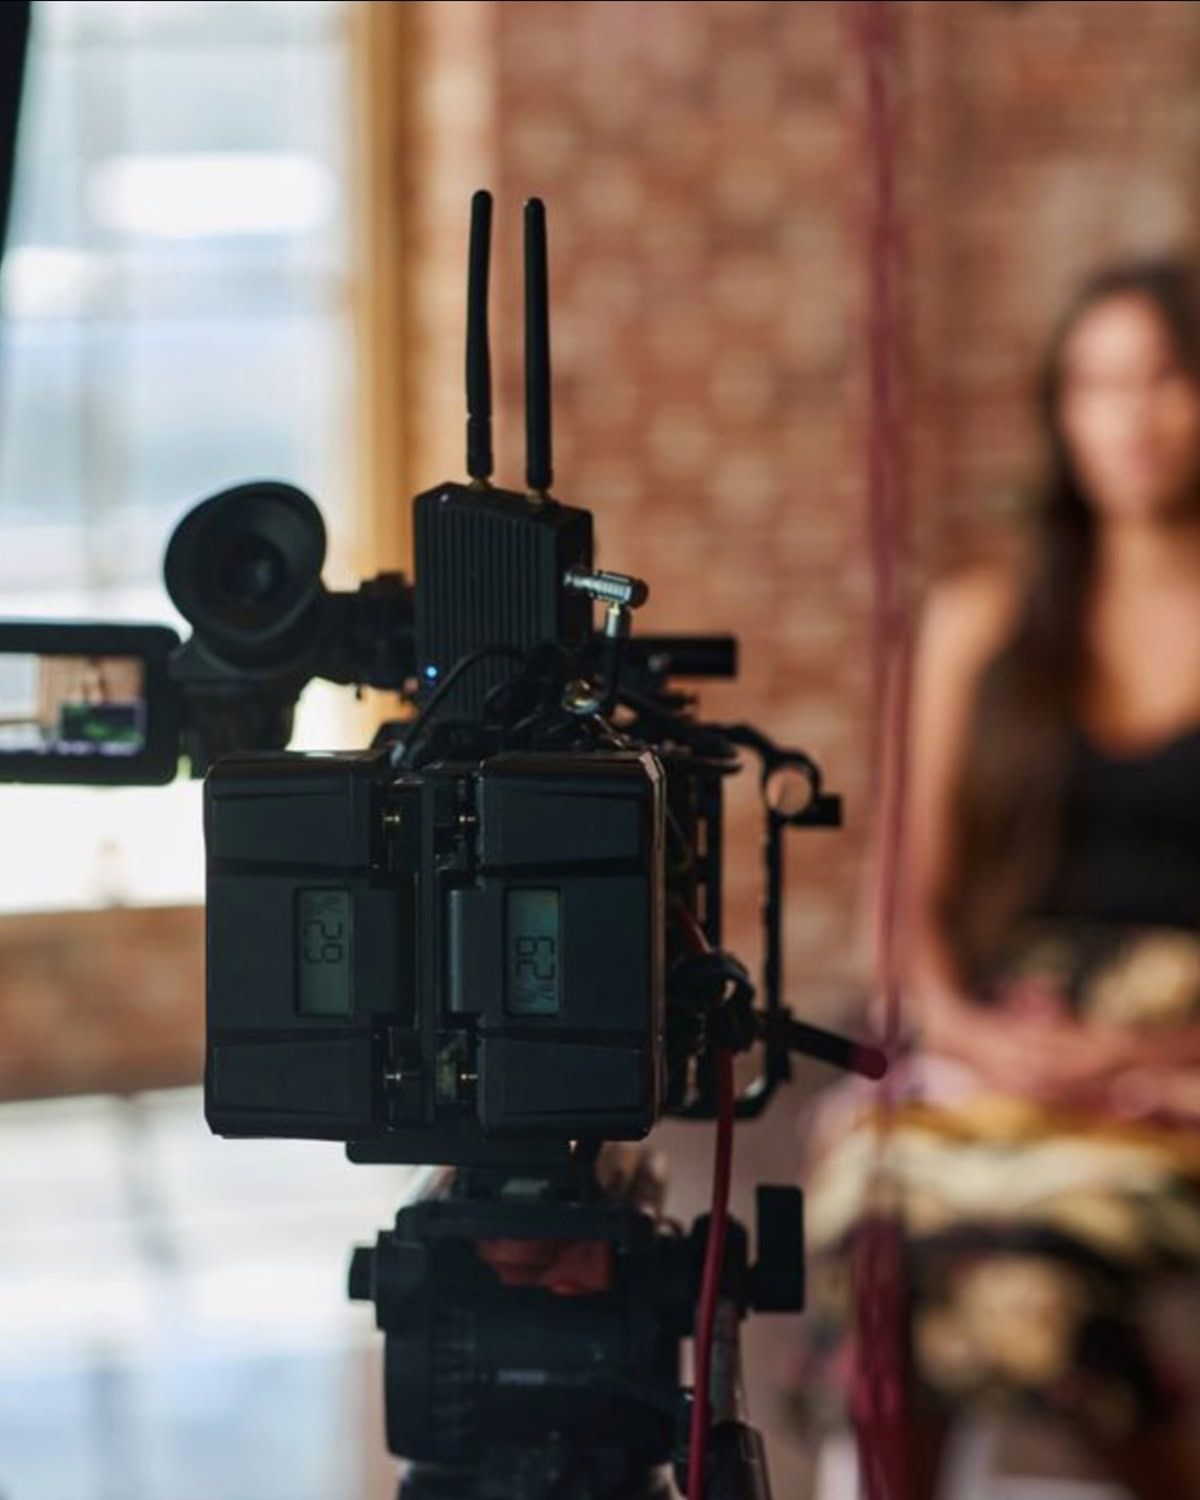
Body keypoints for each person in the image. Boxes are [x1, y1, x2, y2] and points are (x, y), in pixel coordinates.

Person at [798, 259, 1200, 1498]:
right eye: (1097, 385)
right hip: (1003, 1037)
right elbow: (903, 900)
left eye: (1165, 379)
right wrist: (974, 1033)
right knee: (880, 1232)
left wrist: (1143, 1058)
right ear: (1060, 410)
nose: (1130, 417)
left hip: (1178, 1060)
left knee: (1026, 1271)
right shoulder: (981, 619)